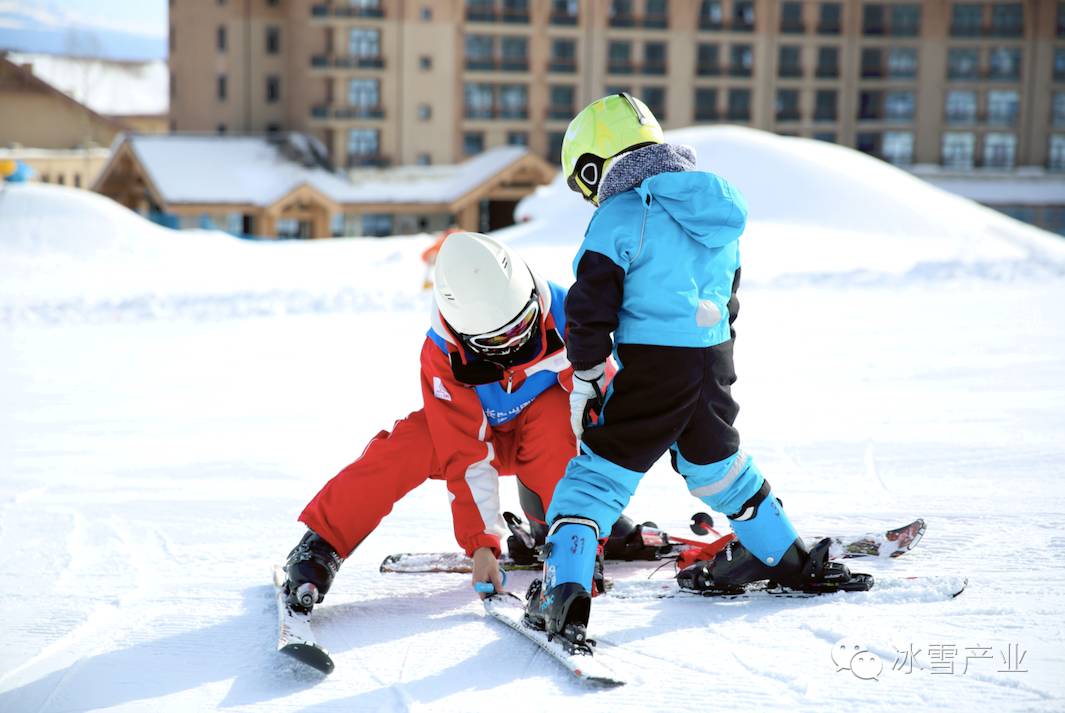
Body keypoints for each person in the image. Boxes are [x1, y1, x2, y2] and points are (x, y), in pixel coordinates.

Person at [524, 93, 870, 646]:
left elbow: (590, 308)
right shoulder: (717, 208)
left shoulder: (621, 213)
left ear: (593, 166)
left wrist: (587, 375)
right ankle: (790, 556)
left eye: (582, 182)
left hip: (653, 363)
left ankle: (561, 592)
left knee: (596, 476)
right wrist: (713, 365)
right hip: (712, 359)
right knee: (717, 467)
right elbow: (729, 298)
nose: (588, 197)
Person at [280, 231, 651, 614]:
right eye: (495, 342)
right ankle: (322, 544)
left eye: (520, 328)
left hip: (545, 435)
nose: (510, 344)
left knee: (560, 412)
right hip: (473, 436)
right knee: (409, 443)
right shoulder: (443, 354)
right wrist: (481, 545)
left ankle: (560, 529)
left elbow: (605, 419)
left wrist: (592, 518)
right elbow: (465, 451)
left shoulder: (571, 316)